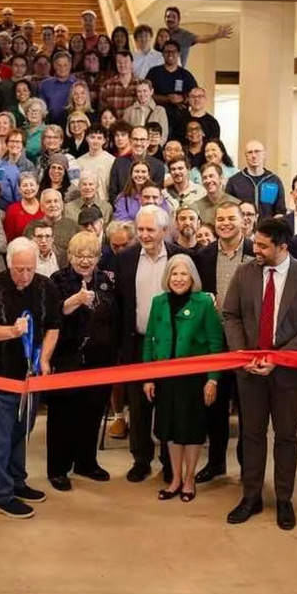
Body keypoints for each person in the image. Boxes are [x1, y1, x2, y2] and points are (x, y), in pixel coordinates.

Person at [223, 218, 297, 530]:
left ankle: (284, 499)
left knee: (285, 437)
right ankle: (251, 496)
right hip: (250, 372)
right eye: (256, 243)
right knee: (252, 436)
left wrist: (278, 358)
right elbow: (231, 315)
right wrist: (243, 353)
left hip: (287, 375)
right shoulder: (244, 273)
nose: (256, 249)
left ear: (283, 246)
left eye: (263, 246)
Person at [0, 237, 60, 518]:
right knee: (0, 439)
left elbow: (54, 326)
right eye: (19, 269)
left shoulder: (46, 286)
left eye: (30, 269)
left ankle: (17, 482)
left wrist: (44, 358)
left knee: (21, 433)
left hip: (31, 378)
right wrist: (12, 331)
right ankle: (0, 494)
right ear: (8, 264)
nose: (24, 275)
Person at [142, 254, 224, 501]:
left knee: (191, 430)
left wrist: (213, 379)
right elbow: (149, 340)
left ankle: (190, 479)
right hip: (165, 377)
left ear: (192, 277)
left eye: (183, 274)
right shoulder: (158, 302)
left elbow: (215, 343)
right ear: (168, 277)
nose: (178, 279)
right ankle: (175, 478)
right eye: (174, 274)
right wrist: (148, 377)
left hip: (194, 379)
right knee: (170, 430)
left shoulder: (204, 303)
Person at [115, 205, 185, 482]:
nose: (143, 235)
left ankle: (169, 462)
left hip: (173, 345)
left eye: (150, 230)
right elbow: (120, 304)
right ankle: (141, 460)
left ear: (165, 231)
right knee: (138, 406)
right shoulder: (125, 259)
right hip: (137, 342)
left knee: (169, 404)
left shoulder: (181, 257)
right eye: (140, 229)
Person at [45, 232, 116, 491]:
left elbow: (114, 316)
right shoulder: (57, 280)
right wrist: (74, 302)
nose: (85, 261)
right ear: (70, 256)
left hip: (100, 359)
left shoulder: (105, 280)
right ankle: (58, 469)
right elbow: (50, 317)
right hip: (68, 358)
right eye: (79, 256)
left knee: (92, 412)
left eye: (91, 256)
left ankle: (86, 462)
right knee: (63, 416)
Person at [195, 202, 254, 482]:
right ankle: (216, 463)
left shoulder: (256, 252)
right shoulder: (203, 255)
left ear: (243, 222)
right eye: (220, 219)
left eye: (231, 218)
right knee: (215, 406)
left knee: (248, 409)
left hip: (247, 342)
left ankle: (247, 466)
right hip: (215, 342)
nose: (225, 223)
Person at [226, 140, 286, 220]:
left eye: (257, 152)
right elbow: (229, 210)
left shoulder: (274, 181)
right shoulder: (234, 181)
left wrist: (272, 225)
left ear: (264, 155)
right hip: (242, 226)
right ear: (245, 156)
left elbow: (280, 212)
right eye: (250, 152)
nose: (254, 155)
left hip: (267, 226)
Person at [107, 125, 166, 202]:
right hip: (122, 207)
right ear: (130, 141)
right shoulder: (118, 163)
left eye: (142, 140)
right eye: (135, 139)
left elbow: (157, 195)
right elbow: (113, 194)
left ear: (148, 142)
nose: (138, 143)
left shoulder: (158, 166)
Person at [163, 6, 232, 67]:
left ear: (178, 20)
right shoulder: (162, 34)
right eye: (168, 16)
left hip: (177, 72)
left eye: (174, 17)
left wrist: (216, 36)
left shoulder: (184, 35)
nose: (170, 19)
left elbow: (200, 38)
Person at [145, 41, 197, 119]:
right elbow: (145, 94)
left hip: (181, 118)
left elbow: (195, 95)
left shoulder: (186, 75)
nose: (170, 54)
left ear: (179, 53)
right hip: (156, 116)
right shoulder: (154, 72)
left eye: (174, 51)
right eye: (167, 51)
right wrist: (167, 99)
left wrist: (182, 98)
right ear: (162, 54)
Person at [3, 172, 44, 242]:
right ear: (19, 189)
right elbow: (9, 238)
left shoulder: (44, 206)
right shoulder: (12, 210)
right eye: (25, 185)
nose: (28, 188)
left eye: (31, 185)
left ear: (37, 187)